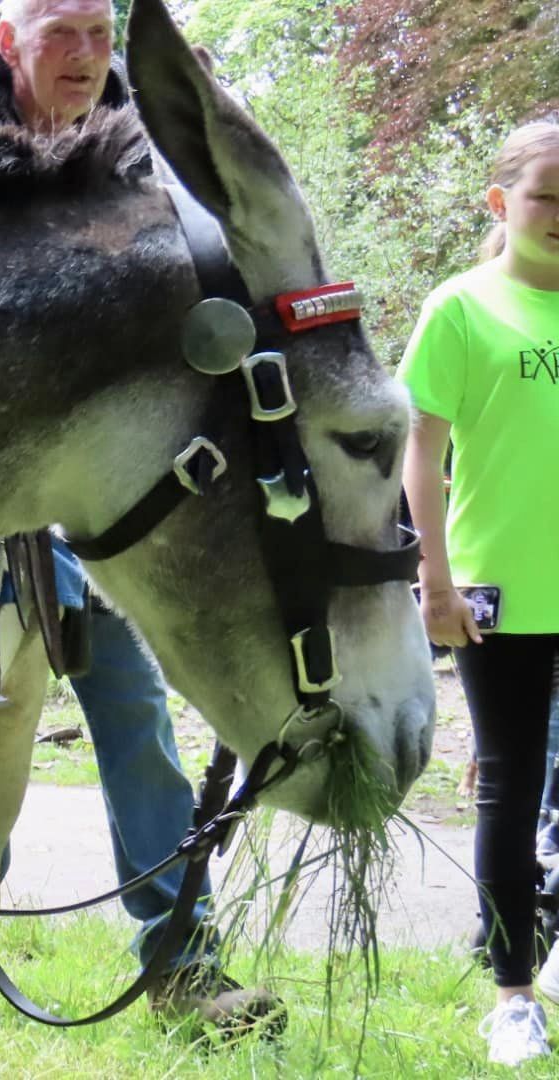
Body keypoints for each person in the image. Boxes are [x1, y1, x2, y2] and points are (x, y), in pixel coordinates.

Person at [0, 0, 278, 1033]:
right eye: (60, 32)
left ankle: (181, 963)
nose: (83, 57)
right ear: (6, 40)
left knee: (137, 721)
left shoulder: (146, 160)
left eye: (101, 36)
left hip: (108, 504)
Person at [399, 116, 559, 1068]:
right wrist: (433, 577)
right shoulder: (461, 307)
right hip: (499, 596)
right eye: (547, 197)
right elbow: (420, 452)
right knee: (508, 788)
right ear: (501, 204)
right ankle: (512, 995)